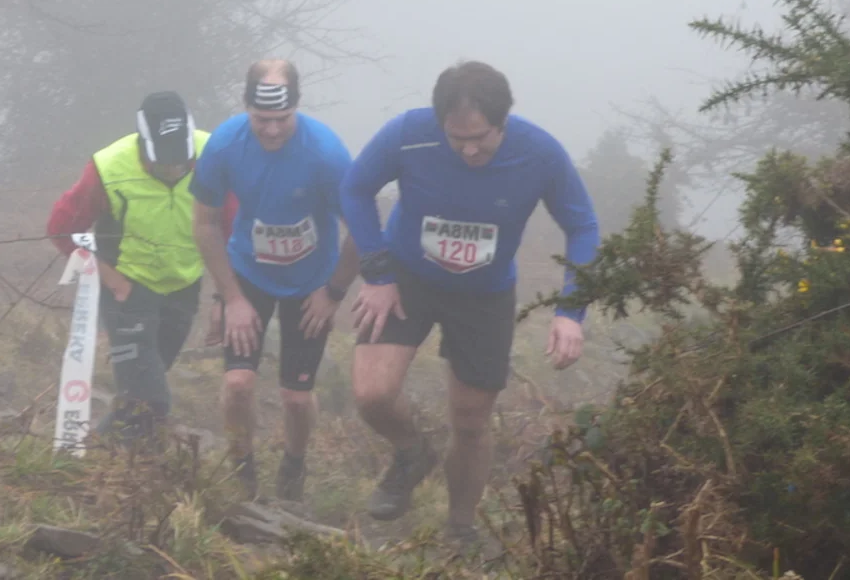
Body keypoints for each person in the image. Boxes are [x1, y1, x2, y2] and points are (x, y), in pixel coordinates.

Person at [339, 60, 600, 550]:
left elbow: (582, 225)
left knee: (471, 421)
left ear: (503, 121)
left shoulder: (540, 152)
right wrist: (376, 274)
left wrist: (571, 312)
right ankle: (412, 452)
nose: (469, 149)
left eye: (480, 138)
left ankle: (460, 529)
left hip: (484, 294)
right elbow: (355, 188)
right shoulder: (408, 134)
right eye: (456, 138)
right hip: (408, 279)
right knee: (372, 394)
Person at [190, 58, 359, 501]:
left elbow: (363, 229)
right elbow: (205, 224)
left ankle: (294, 466)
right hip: (250, 273)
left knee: (296, 397)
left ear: (297, 106)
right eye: (261, 118)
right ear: (246, 107)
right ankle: (240, 472)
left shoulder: (326, 153)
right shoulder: (225, 144)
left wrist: (333, 292)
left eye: (282, 119)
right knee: (238, 384)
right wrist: (229, 297)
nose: (271, 130)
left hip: (312, 281)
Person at [47, 90, 229, 442]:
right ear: (143, 144)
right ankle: (140, 466)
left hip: (183, 286)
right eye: (163, 160)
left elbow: (233, 230)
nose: (173, 168)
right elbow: (61, 228)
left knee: (138, 396)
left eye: (180, 160)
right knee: (152, 400)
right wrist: (110, 278)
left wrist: (223, 297)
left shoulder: (217, 155)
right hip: (127, 290)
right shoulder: (109, 167)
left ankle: (98, 454)